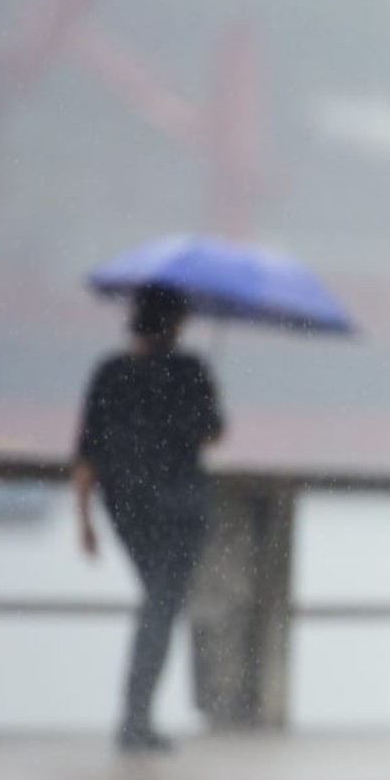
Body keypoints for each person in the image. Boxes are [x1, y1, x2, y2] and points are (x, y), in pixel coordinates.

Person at [73, 285, 224, 753]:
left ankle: (136, 714)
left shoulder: (110, 373)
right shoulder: (190, 370)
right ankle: (135, 717)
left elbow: (87, 452)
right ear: (176, 323)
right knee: (161, 606)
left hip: (126, 509)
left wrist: (85, 520)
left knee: (156, 603)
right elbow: (212, 434)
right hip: (180, 510)